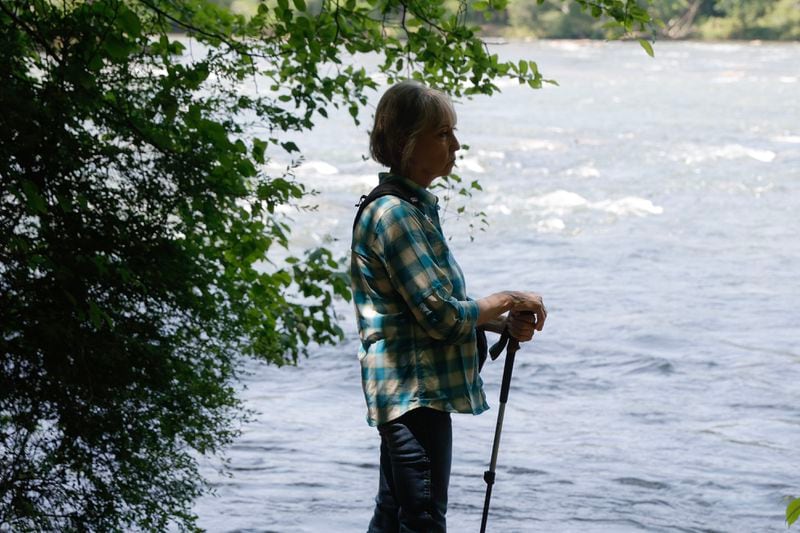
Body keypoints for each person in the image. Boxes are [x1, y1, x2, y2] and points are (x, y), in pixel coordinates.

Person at [350, 80, 547, 533]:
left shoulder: (410, 208)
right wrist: (511, 299)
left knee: (394, 514)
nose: (456, 145)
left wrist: (498, 322)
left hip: (411, 393)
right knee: (421, 520)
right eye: (442, 134)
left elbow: (424, 310)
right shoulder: (396, 215)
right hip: (413, 395)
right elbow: (441, 315)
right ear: (405, 143)